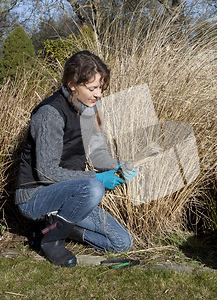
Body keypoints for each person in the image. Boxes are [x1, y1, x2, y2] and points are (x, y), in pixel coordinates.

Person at [15, 50, 137, 267]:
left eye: (101, 88)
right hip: (36, 195)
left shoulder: (91, 108)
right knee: (93, 188)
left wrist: (118, 166)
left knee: (121, 242)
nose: (98, 94)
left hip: (74, 194)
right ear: (72, 85)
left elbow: (98, 153)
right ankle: (52, 241)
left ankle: (51, 229)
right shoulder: (49, 114)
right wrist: (97, 179)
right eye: (92, 88)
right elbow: (46, 172)